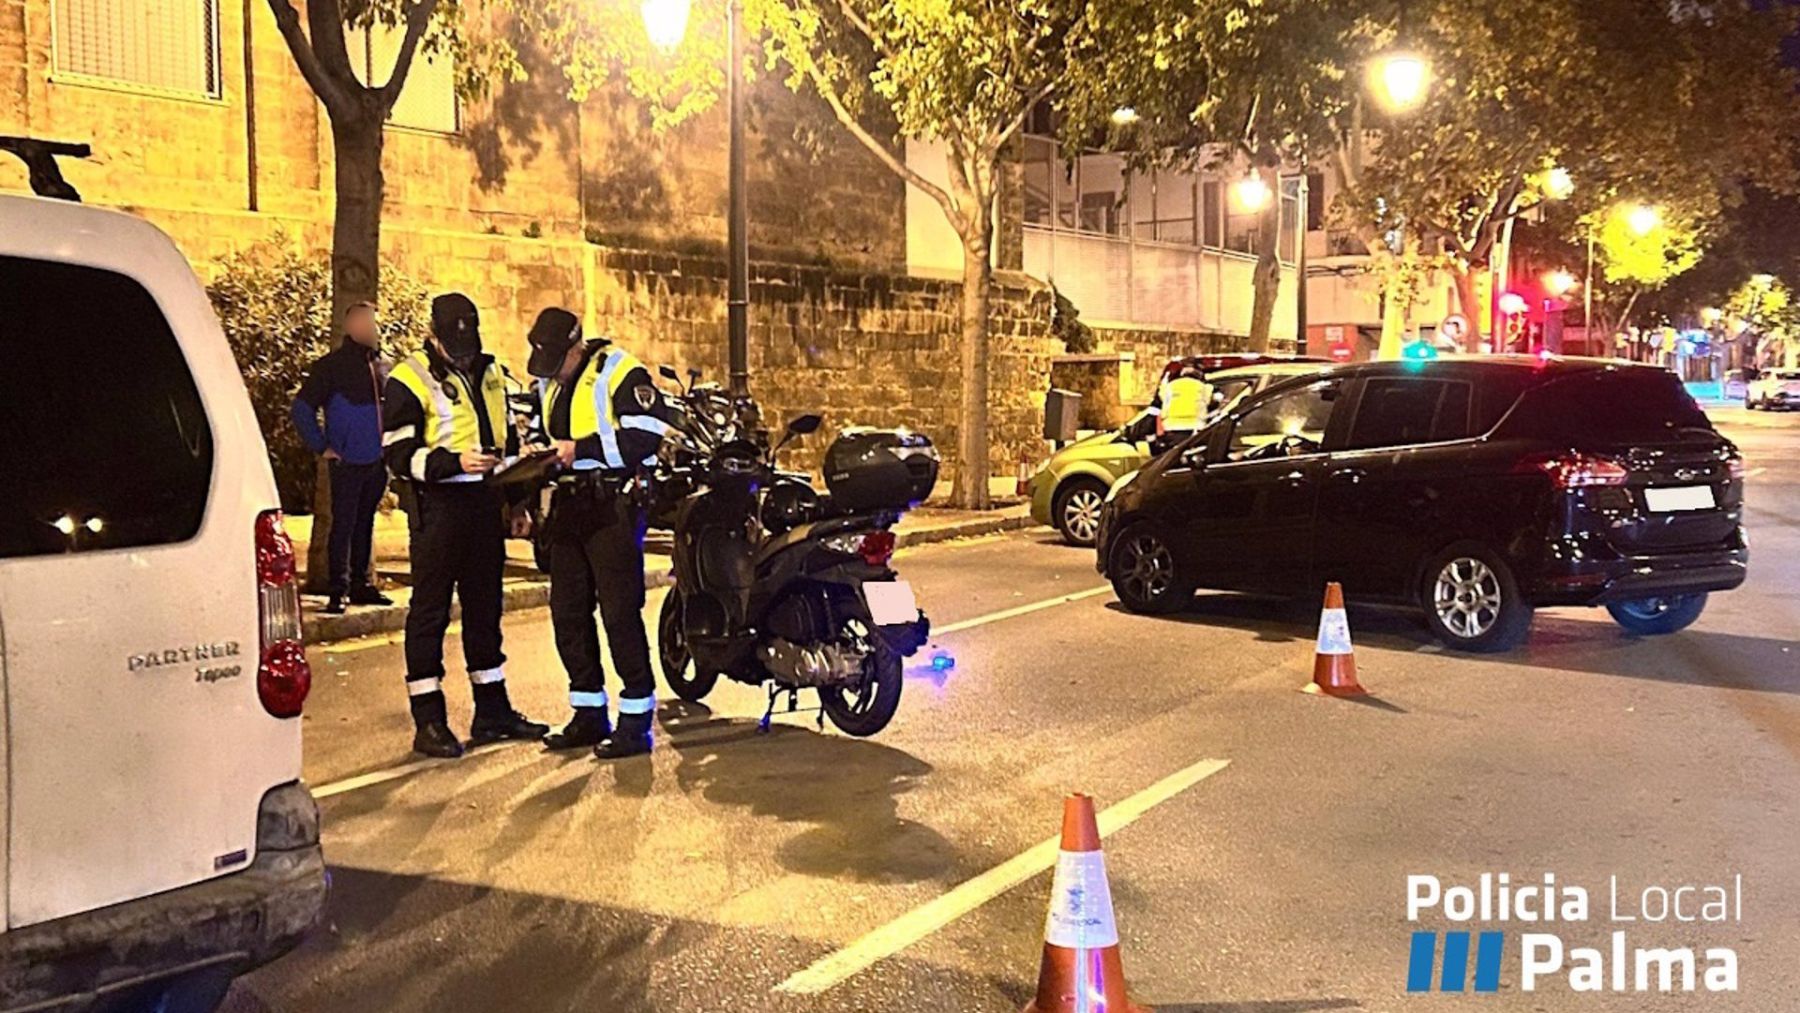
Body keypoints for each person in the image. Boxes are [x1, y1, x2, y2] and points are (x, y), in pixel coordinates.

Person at [382, 293, 548, 759]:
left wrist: (517, 501)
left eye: (470, 341)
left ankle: (492, 710)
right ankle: (429, 720)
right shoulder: (409, 378)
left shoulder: (491, 371)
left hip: (483, 503)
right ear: (433, 334)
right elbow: (397, 452)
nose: (464, 351)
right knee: (430, 612)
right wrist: (453, 461)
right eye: (455, 343)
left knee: (485, 609)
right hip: (438, 506)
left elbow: (507, 438)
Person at [524, 307, 676, 760]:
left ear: (576, 348)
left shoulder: (621, 371)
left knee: (619, 612)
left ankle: (635, 721)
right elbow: (538, 429)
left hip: (613, 504)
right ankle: (588, 711)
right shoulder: (550, 379)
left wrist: (580, 450)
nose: (549, 372)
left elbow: (646, 434)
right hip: (569, 505)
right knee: (568, 612)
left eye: (557, 360)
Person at [291, 302, 393, 614]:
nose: (371, 328)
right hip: (346, 461)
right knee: (344, 524)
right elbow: (302, 408)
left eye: (373, 323)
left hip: (378, 461)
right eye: (364, 322)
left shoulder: (384, 366)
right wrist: (322, 446)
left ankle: (362, 585)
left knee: (365, 523)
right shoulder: (331, 367)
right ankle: (339, 589)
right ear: (350, 327)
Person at [1155, 363, 1212, 441]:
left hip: (1171, 428)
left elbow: (1160, 404)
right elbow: (1211, 401)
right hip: (1195, 427)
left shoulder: (1170, 386)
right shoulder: (1204, 387)